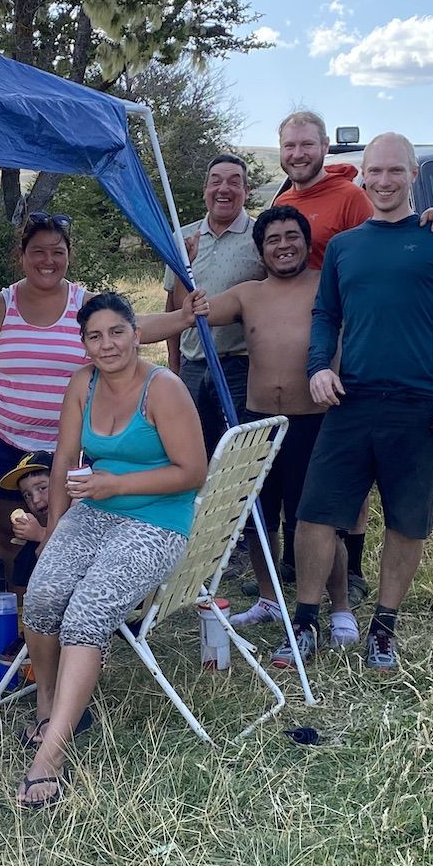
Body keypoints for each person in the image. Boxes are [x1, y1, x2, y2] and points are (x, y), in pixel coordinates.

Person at [287, 132, 433, 674]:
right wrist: (318, 366)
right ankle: (304, 622)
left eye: (394, 171)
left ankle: (383, 628)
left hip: (422, 402)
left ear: (413, 174)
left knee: (407, 520)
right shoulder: (348, 247)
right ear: (362, 174)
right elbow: (326, 315)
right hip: (351, 398)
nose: (382, 181)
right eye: (373, 171)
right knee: (316, 514)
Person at [12, 292, 207, 811]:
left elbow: (193, 472)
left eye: (117, 332)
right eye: (94, 336)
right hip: (92, 511)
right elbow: (62, 461)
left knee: (87, 612)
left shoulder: (163, 390)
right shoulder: (83, 383)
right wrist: (52, 527)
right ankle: (50, 705)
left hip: (157, 521)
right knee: (43, 596)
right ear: (83, 344)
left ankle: (49, 757)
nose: (107, 344)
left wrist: (114, 487)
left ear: (136, 333)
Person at [165, 205, 359, 646]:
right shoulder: (247, 293)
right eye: (273, 239)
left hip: (317, 421)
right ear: (261, 250)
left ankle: (340, 607)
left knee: (319, 519)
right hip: (261, 425)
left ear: (306, 243)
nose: (284, 245)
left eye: (292, 236)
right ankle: (270, 600)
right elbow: (194, 311)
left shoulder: (328, 287)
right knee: (258, 518)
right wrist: (185, 267)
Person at [0, 213, 186, 567]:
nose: (48, 261)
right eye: (38, 251)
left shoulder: (85, 305)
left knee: (66, 531)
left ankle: (54, 604)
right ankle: (9, 611)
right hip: (0, 440)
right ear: (21, 255)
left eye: (57, 251)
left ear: (69, 255)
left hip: (70, 445)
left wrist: (184, 317)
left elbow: (132, 326)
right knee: (5, 533)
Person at [160, 154, 263, 457]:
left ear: (246, 190)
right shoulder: (182, 238)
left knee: (237, 455)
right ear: (205, 188)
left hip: (240, 367)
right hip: (193, 365)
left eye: (234, 182)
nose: (224, 189)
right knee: (191, 452)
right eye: (216, 181)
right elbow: (174, 306)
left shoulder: (261, 237)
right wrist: (174, 364)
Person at [273, 110, 369, 270]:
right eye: (289, 146)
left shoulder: (352, 198)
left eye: (307, 144)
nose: (297, 154)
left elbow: (369, 266)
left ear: (325, 146)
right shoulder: (281, 203)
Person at [0, 450, 53, 590]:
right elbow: (22, 578)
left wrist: (41, 535)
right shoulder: (36, 525)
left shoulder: (78, 513)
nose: (35, 500)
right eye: (27, 495)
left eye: (42, 488)